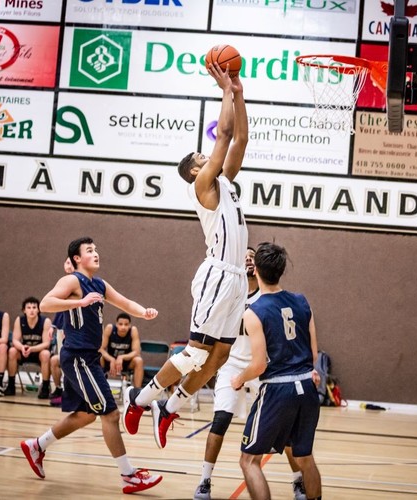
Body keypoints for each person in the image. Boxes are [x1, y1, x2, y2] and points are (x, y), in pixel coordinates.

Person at [123, 58, 249, 449]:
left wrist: (240, 92)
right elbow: (225, 134)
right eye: (201, 159)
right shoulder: (205, 187)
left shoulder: (225, 183)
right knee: (196, 353)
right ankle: (140, 399)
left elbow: (240, 139)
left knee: (219, 358)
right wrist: (225, 88)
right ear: (196, 172)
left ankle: (170, 407)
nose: (206, 159)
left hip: (237, 279)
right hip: (216, 274)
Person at [20, 237, 162, 494]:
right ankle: (128, 475)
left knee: (86, 415)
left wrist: (144, 312)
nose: (96, 253)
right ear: (76, 258)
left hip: (89, 359)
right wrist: (79, 302)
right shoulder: (72, 280)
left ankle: (37, 446)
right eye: (89, 250)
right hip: (77, 358)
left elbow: (125, 303)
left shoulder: (99, 283)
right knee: (110, 413)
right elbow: (45, 304)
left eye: (96, 249)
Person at [194, 247, 314, 500]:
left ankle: (298, 481)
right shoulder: (227, 296)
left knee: (287, 436)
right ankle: (205, 480)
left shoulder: (267, 299)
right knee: (220, 421)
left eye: (252, 255)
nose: (247, 258)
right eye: (244, 255)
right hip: (232, 365)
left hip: (266, 369)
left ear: (257, 267)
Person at [231, 243, 322, 500]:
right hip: (306, 387)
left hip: (278, 390)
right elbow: (313, 355)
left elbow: (259, 365)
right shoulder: (302, 302)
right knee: (304, 458)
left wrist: (239, 379)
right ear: (281, 270)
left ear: (255, 270)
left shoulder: (254, 311)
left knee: (249, 461)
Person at [5, 297, 53, 398]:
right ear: (24, 310)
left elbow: (46, 344)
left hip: (38, 351)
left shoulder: (45, 321)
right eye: (29, 307)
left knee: (46, 354)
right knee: (12, 351)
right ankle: (11, 385)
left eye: (34, 307)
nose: (31, 310)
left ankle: (45, 387)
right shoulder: (20, 320)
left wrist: (32, 349)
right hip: (25, 351)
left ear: (38, 309)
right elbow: (15, 340)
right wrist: (22, 347)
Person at [48, 257, 74, 407]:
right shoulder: (63, 282)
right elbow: (58, 307)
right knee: (62, 360)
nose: (69, 265)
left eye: (72, 262)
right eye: (67, 262)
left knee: (71, 360)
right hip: (62, 330)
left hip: (75, 330)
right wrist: (53, 326)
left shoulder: (78, 283)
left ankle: (72, 394)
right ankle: (63, 391)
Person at [100, 313, 144, 388]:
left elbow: (136, 351)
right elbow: (101, 349)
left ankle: (136, 393)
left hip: (126, 362)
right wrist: (111, 359)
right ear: (116, 324)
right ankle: (97, 387)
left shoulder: (133, 330)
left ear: (129, 325)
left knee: (139, 360)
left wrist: (121, 357)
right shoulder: (110, 328)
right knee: (98, 357)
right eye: (120, 324)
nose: (123, 327)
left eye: (126, 324)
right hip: (110, 361)